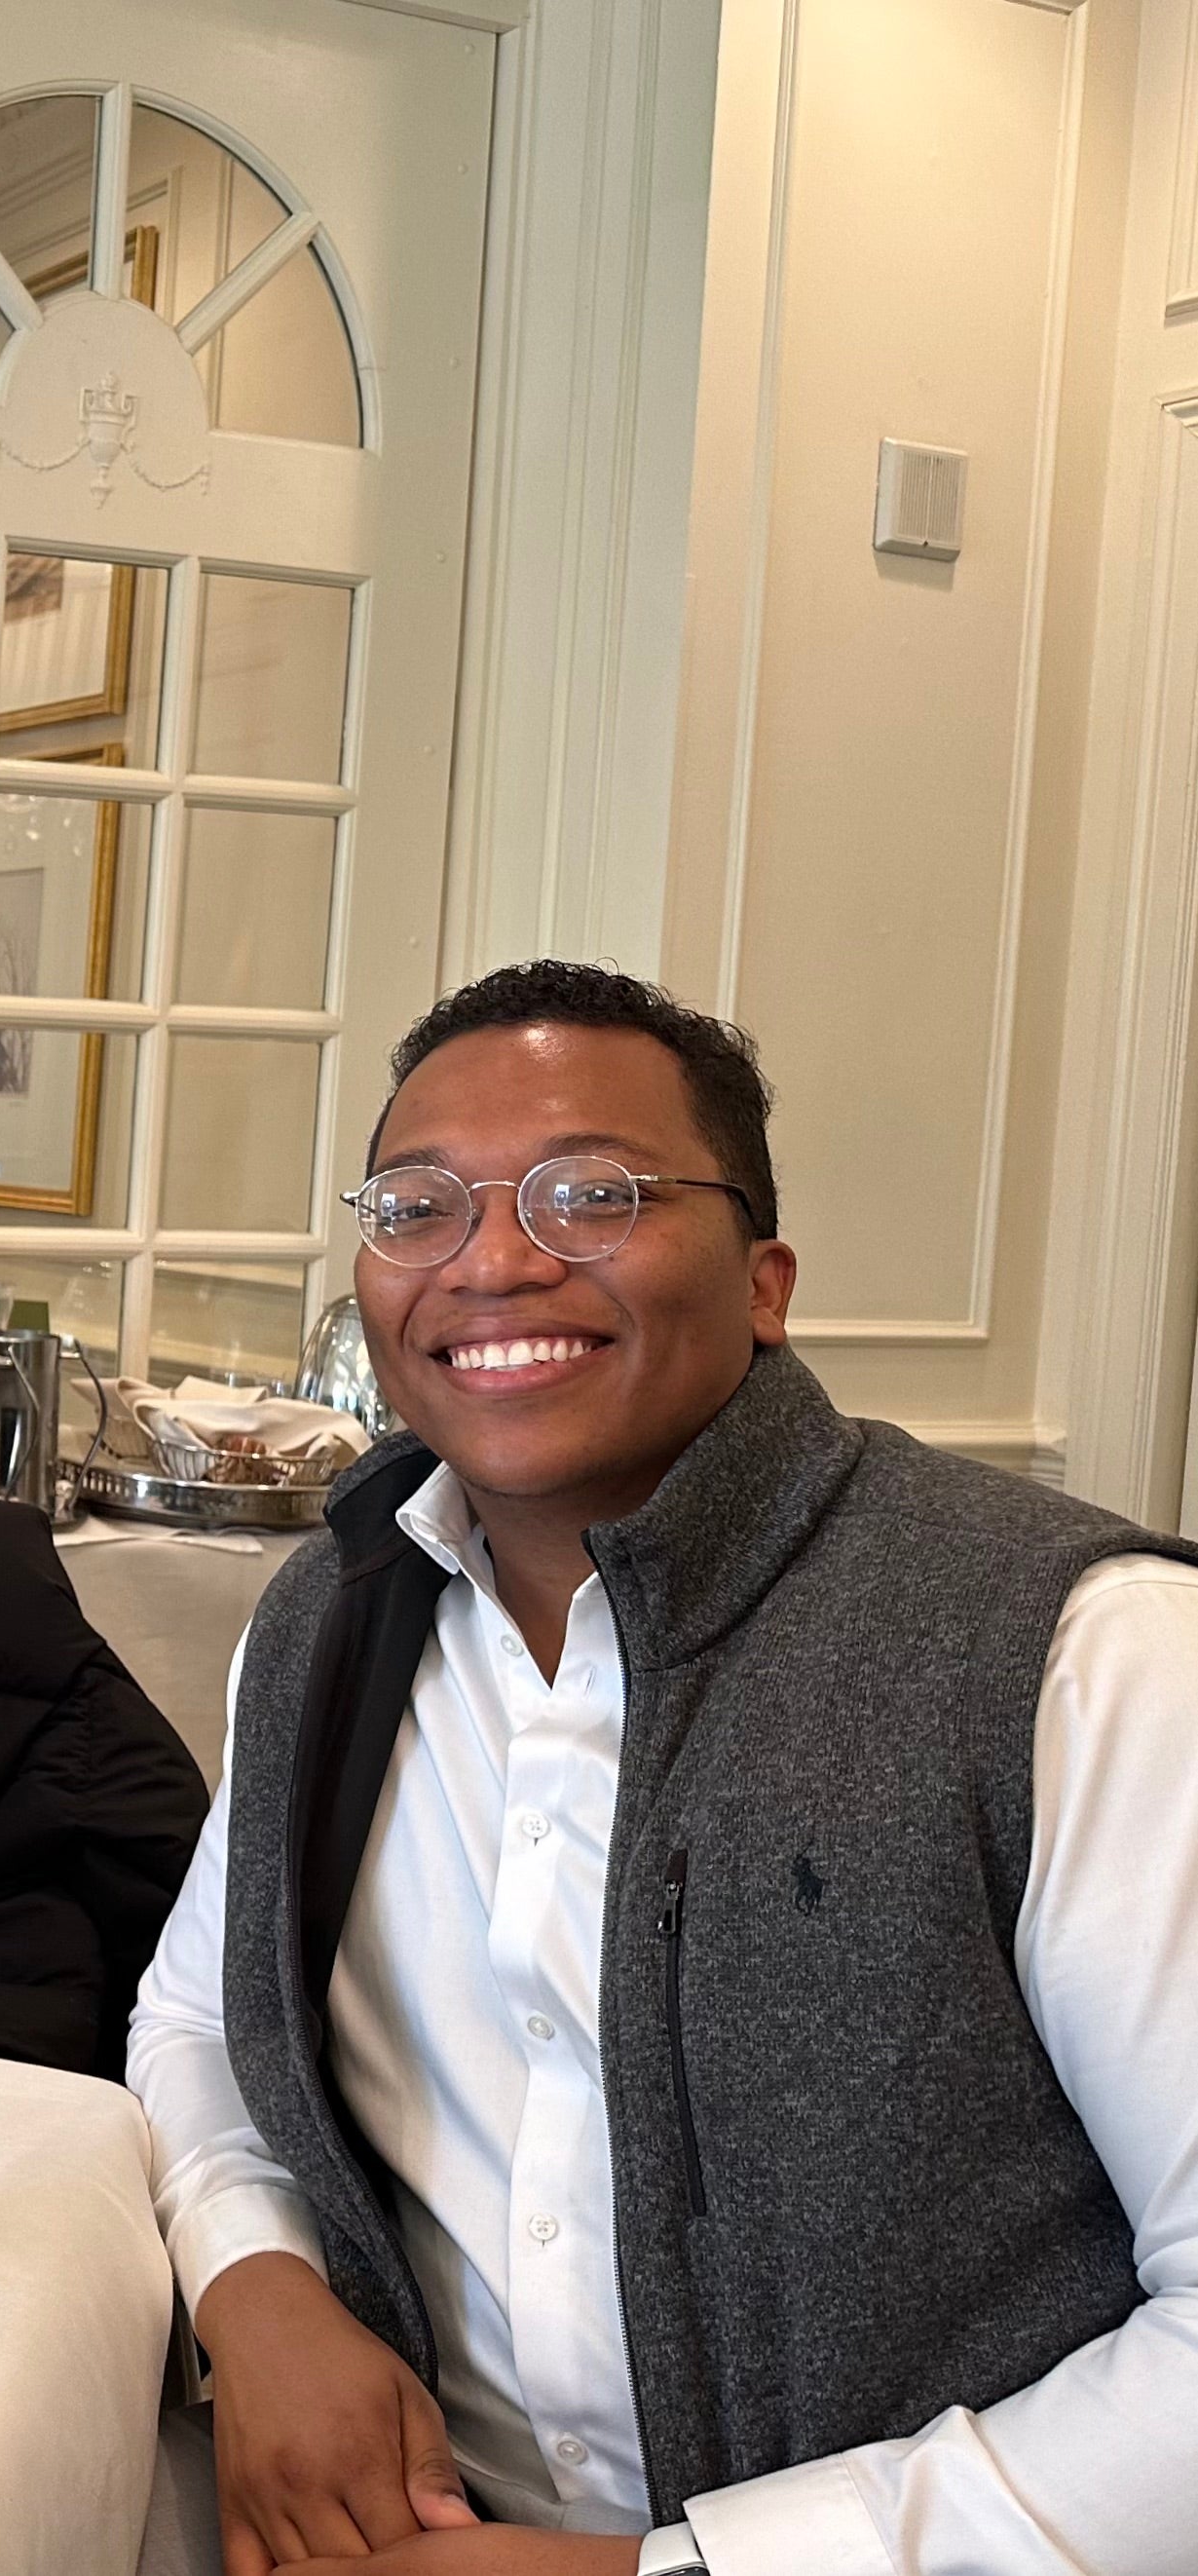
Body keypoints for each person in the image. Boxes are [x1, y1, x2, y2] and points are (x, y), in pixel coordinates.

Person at [128, 960, 1198, 2575]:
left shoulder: (1074, 1651)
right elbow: (199, 2018)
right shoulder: (331, 1617)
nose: (490, 1260)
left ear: (763, 1277)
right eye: (416, 1204)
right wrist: (254, 2287)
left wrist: (675, 2570)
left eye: (590, 1193)